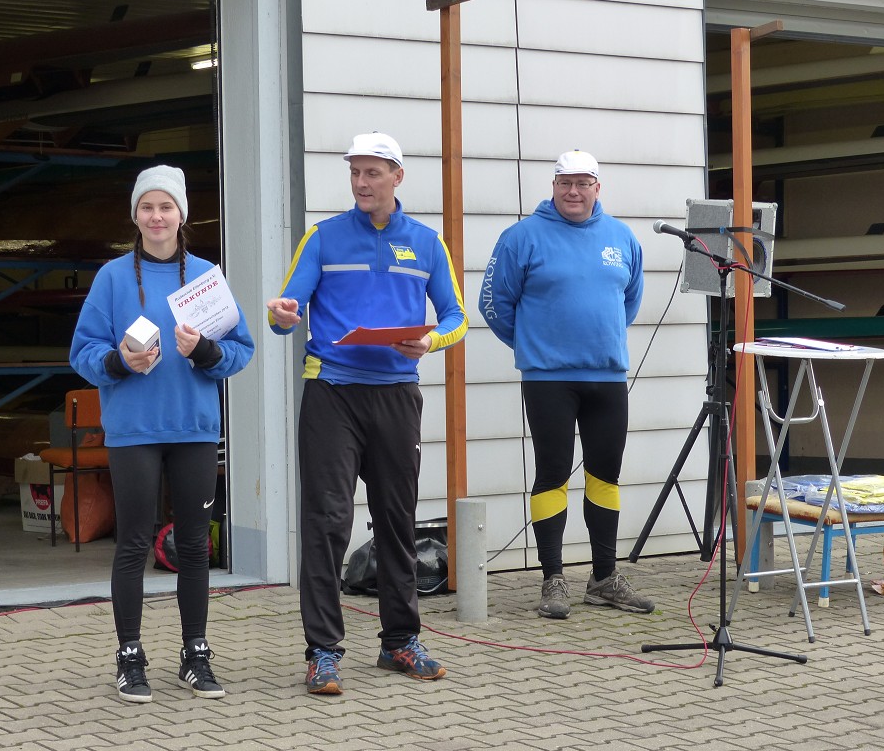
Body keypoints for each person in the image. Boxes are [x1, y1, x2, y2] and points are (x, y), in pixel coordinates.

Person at [267, 132, 467, 695]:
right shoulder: (323, 237)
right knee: (327, 522)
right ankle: (322, 652)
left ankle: (400, 642)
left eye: (372, 173)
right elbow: (285, 313)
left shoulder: (427, 242)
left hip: (397, 395)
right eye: (354, 172)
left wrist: (430, 343)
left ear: (397, 177)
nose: (360, 182)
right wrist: (282, 315)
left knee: (396, 520)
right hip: (331, 392)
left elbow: (456, 318)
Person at [70, 165, 255, 703]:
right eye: (147, 207)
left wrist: (206, 351)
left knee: (194, 545)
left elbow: (240, 350)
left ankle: (195, 654)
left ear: (181, 215)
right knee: (133, 543)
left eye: (166, 207)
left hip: (193, 428)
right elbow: (82, 352)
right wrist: (119, 362)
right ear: (135, 215)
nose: (157, 217)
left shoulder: (205, 277)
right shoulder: (111, 278)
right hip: (133, 431)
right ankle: (130, 656)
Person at [479, 150, 654, 619]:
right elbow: (493, 304)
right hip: (548, 379)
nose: (573, 192)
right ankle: (552, 579)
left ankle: (604, 579)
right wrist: (534, 345)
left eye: (582, 183)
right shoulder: (521, 237)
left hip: (607, 377)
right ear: (553, 186)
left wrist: (598, 339)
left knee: (605, 476)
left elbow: (629, 300)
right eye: (564, 183)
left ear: (598, 187)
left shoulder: (622, 237)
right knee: (552, 475)